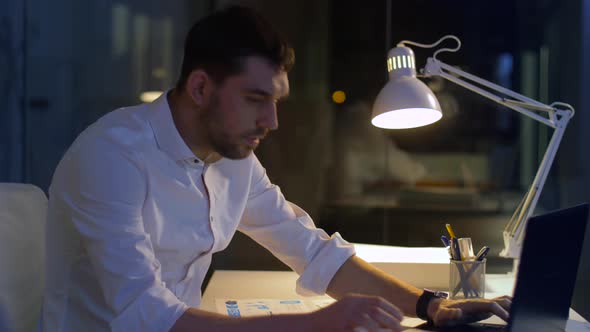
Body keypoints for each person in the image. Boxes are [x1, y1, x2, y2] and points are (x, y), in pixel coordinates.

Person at [41, 5, 511, 332]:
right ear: (201, 88)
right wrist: (312, 324)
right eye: (255, 99)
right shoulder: (110, 157)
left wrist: (431, 305)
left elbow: (313, 251)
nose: (272, 121)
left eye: (276, 100)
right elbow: (146, 316)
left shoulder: (232, 161)